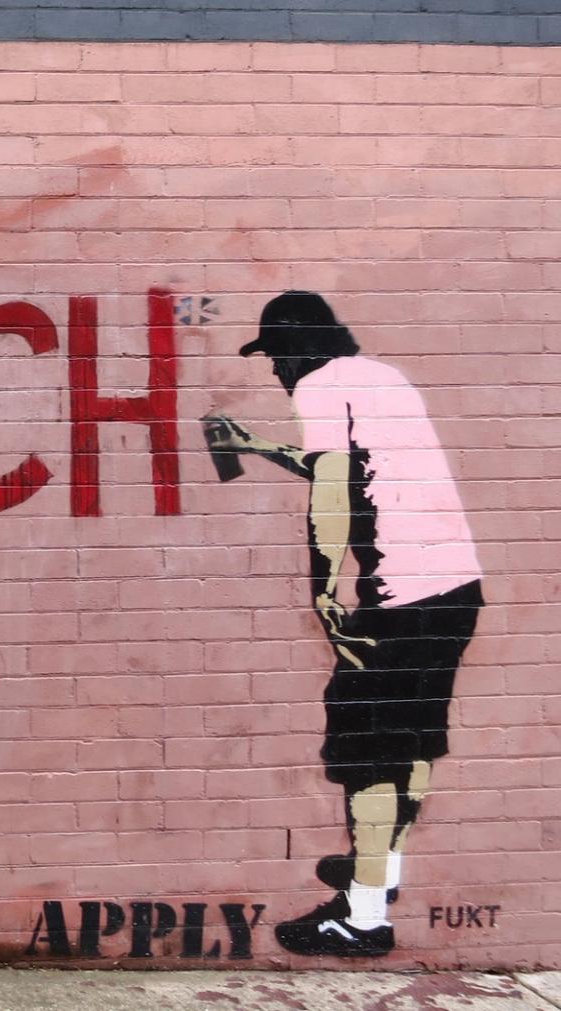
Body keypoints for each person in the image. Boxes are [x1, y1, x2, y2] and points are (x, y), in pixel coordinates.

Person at [206, 291, 484, 958]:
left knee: (367, 750)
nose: (274, 371)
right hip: (455, 590)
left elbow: (332, 491)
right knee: (412, 736)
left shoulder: (323, 385)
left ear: (299, 348)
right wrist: (258, 446)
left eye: (275, 356)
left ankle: (362, 918)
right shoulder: (380, 378)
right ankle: (381, 872)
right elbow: (354, 467)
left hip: (401, 598)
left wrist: (324, 593)